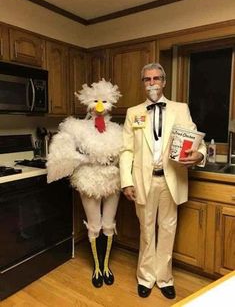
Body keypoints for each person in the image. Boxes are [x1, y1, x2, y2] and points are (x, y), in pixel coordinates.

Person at [119, 63, 206, 300]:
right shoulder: (133, 112)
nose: (152, 83)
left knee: (168, 229)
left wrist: (200, 155)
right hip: (143, 182)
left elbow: (196, 141)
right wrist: (126, 181)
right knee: (146, 231)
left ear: (164, 82)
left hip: (171, 180)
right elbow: (126, 150)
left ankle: (164, 278)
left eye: (156, 78)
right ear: (143, 83)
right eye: (147, 79)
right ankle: (145, 277)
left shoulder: (180, 109)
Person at [47, 79, 123, 288]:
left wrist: (113, 162)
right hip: (89, 179)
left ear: (111, 103)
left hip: (113, 180)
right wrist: (86, 159)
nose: (100, 106)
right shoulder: (77, 128)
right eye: (96, 101)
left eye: (104, 101)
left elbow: (125, 154)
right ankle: (97, 269)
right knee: (94, 225)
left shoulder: (118, 129)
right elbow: (63, 150)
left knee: (108, 224)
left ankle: (106, 266)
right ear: (88, 103)